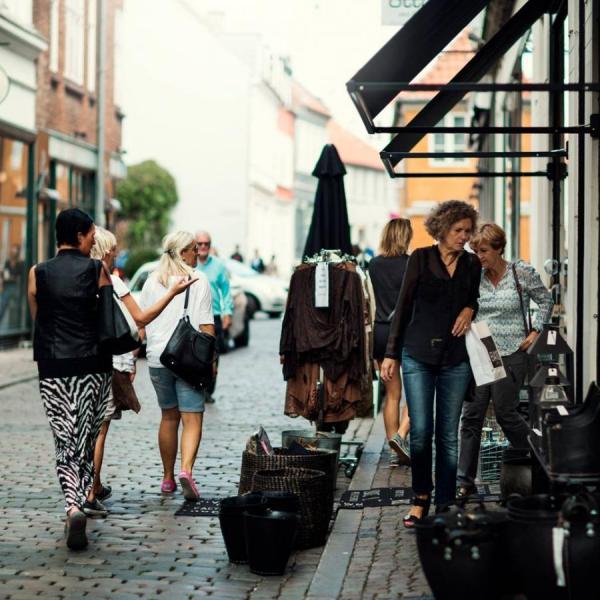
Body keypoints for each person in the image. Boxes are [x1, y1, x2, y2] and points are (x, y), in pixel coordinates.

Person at [381, 200, 481, 526]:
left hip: (456, 359)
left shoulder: (471, 264)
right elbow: (403, 305)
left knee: (448, 435)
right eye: (458, 230)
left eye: (468, 230)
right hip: (417, 355)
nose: (464, 236)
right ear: (441, 229)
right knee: (421, 432)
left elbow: (473, 298)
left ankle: (446, 503)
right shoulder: (420, 258)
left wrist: (470, 309)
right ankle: (421, 497)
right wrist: (391, 353)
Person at [90, 227, 195, 504]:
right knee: (100, 429)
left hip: (82, 359)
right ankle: (92, 489)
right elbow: (140, 318)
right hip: (112, 361)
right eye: (113, 249)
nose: (116, 254)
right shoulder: (113, 281)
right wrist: (172, 293)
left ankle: (89, 486)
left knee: (85, 428)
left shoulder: (79, 278)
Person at [27, 209, 111, 550]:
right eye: (91, 233)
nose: (94, 239)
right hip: (92, 365)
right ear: (79, 235)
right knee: (87, 437)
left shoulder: (38, 273)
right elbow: (107, 321)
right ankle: (82, 497)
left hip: (53, 366)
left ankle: (72, 505)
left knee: (64, 437)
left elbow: (39, 319)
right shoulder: (96, 270)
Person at [457, 223, 553, 497]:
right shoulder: (474, 275)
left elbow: (546, 300)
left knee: (505, 413)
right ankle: (465, 481)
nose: (479, 256)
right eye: (475, 251)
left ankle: (535, 459)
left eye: (484, 250)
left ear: (499, 248)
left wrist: (536, 330)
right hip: (479, 352)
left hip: (512, 354)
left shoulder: (521, 272)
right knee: (471, 416)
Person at [141, 231, 215, 500]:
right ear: (183, 252)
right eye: (194, 249)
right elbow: (207, 325)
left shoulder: (152, 280)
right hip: (189, 359)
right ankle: (186, 471)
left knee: (168, 417)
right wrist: (211, 361)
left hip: (158, 359)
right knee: (192, 417)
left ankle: (167, 478)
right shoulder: (198, 279)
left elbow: (143, 322)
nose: (198, 253)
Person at [368, 218, 413, 464]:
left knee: (392, 395)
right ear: (406, 237)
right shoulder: (411, 264)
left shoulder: (374, 264)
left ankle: (392, 446)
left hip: (382, 333)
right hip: (408, 332)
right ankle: (402, 436)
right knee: (417, 393)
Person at [195, 230, 234, 402]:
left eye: (206, 244)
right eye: (200, 243)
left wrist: (227, 313)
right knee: (195, 353)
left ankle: (209, 390)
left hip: (214, 316)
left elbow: (226, 291)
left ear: (210, 246)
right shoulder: (189, 264)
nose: (203, 247)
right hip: (194, 316)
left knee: (213, 355)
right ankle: (196, 387)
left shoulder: (218, 266)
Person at [0, 244, 25, 330]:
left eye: (15, 250)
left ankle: (15, 327)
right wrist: (2, 284)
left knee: (15, 309)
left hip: (15, 288)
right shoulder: (8, 262)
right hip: (7, 287)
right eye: (13, 250)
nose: (14, 252)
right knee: (2, 306)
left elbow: (20, 277)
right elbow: (4, 274)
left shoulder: (21, 263)